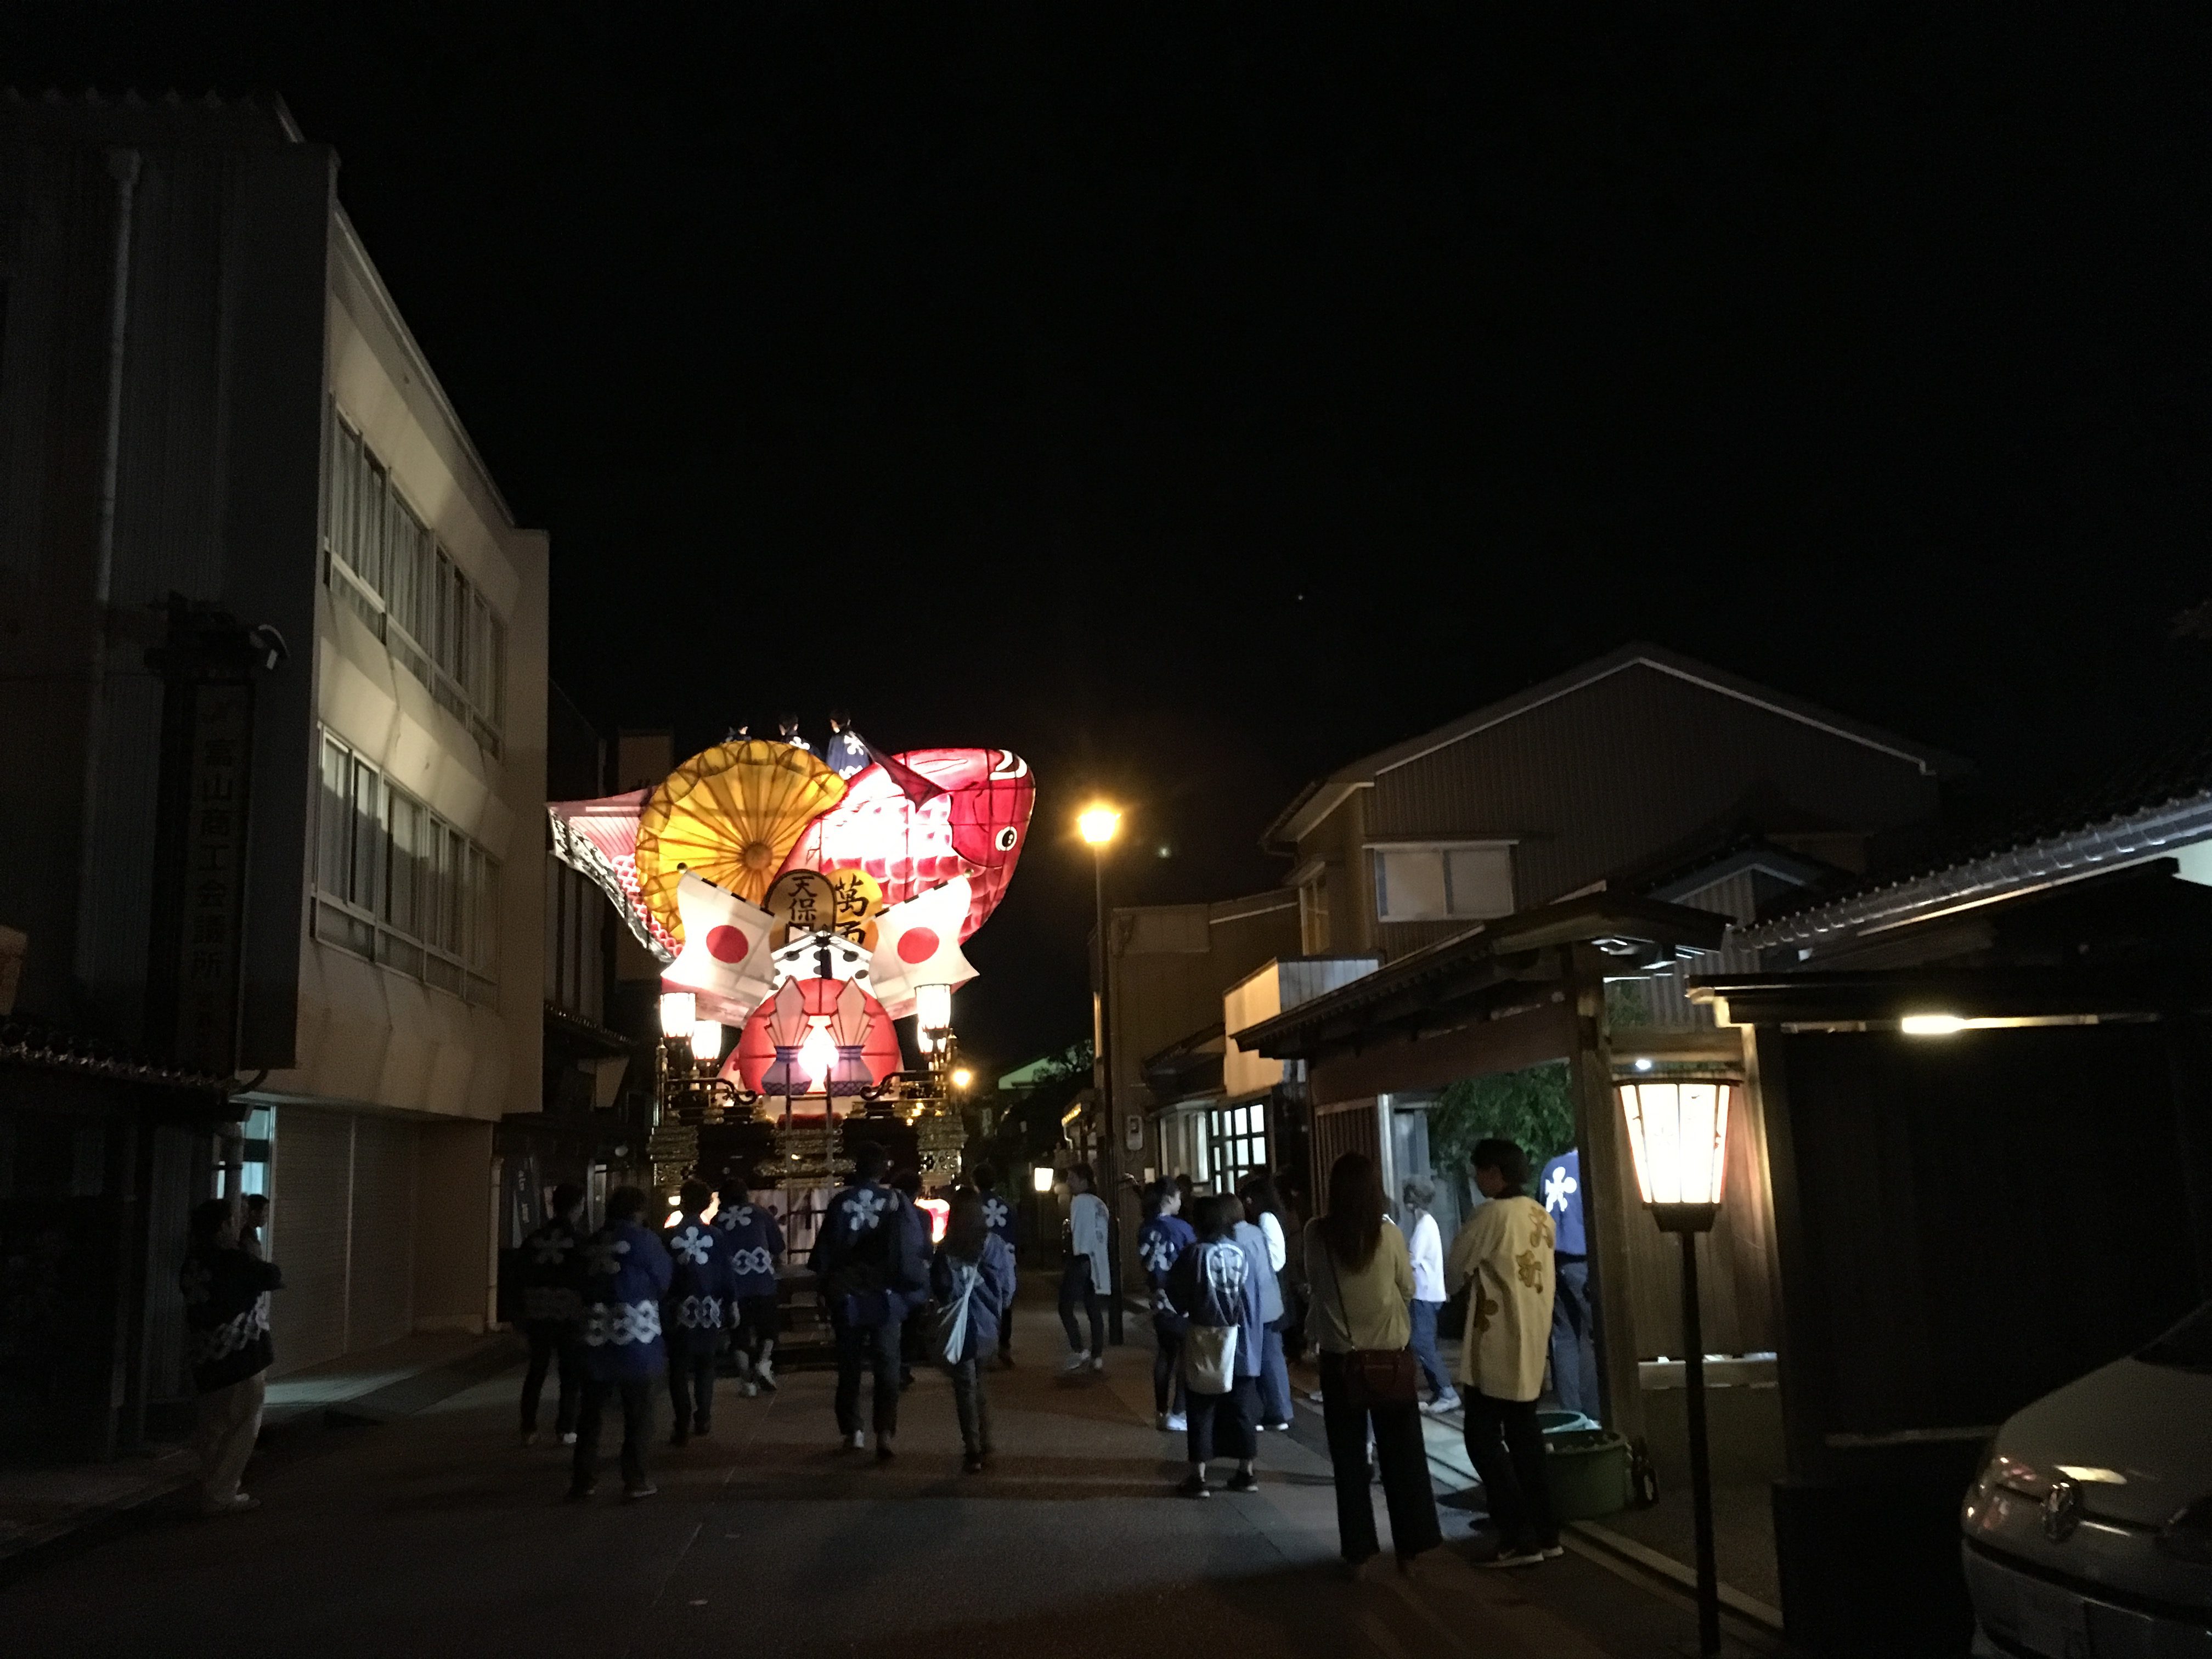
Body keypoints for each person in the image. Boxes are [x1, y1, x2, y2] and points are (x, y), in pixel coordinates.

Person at [1305, 1153, 1442, 1573]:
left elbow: (1314, 1283)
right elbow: (1408, 1287)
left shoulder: (1316, 1235)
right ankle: (1410, 1550)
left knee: (1349, 1461)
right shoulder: (1390, 1235)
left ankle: (1359, 1552)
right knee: (1403, 1458)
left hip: (1340, 1361)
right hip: (1390, 1359)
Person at [1444, 1138, 1560, 1568]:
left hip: (1496, 1341)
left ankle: (1516, 1535)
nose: (1476, 1179)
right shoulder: (1539, 1214)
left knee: (1482, 1438)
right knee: (1526, 1437)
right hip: (1532, 1337)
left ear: (1495, 1172)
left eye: (1479, 1170)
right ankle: (1547, 1532)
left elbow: (1454, 1270)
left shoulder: (1490, 1215)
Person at [810, 1141, 929, 1459]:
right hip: (886, 1296)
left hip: (847, 1294)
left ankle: (853, 1431)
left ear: (856, 1168)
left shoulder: (841, 1203)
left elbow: (825, 1253)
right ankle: (885, 1432)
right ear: (883, 1170)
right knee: (887, 1363)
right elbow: (913, 1249)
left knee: (849, 1364)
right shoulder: (897, 1201)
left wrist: (824, 1290)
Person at [570, 1185, 673, 1502]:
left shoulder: (592, 1242)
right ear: (638, 1211)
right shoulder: (646, 1241)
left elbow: (577, 1283)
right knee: (638, 1412)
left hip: (595, 1333)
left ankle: (583, 1480)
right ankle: (635, 1479)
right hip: (635, 1336)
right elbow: (663, 1280)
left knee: (590, 1412)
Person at [180, 1198, 282, 1516]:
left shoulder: (192, 1263)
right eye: (233, 1221)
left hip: (205, 1358)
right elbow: (271, 1275)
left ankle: (213, 1488)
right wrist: (246, 1253)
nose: (237, 1226)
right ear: (222, 1227)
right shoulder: (232, 1260)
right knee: (243, 1424)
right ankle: (220, 1495)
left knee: (213, 1426)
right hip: (241, 1355)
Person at [1165, 1193, 1262, 1498]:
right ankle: (1246, 1472)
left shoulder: (1194, 1254)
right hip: (1243, 1344)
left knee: (1201, 1409)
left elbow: (1177, 1297)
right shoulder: (1244, 1253)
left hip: (1206, 1343)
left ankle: (1199, 1478)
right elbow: (1253, 1299)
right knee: (1242, 1410)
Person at [929, 1189, 1018, 1471]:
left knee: (965, 1386)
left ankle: (973, 1448)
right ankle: (985, 1439)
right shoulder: (993, 1245)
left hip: (959, 1324)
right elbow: (1008, 1285)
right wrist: (999, 1306)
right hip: (987, 1324)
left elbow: (940, 1289)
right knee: (978, 1381)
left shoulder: (946, 1249)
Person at [518, 1182, 588, 1447]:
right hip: (569, 1314)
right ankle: (566, 1427)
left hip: (538, 1313)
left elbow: (520, 1276)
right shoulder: (579, 1241)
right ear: (578, 1206)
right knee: (570, 1372)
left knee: (536, 1370)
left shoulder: (534, 1239)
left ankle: (528, 1427)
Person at [663, 1179, 731, 1445]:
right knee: (705, 1365)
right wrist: (731, 1303)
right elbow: (725, 1275)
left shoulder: (668, 1237)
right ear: (705, 1204)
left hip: (678, 1307)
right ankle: (703, 1417)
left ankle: (681, 1422)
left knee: (678, 1368)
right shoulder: (716, 1236)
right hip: (708, 1308)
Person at [1538, 1147, 1600, 1421]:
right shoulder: (1590, 1165)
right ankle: (1595, 1412)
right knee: (1595, 1335)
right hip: (1583, 1259)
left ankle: (1571, 1412)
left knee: (1564, 1337)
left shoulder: (1551, 1167)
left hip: (1553, 1258)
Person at [716, 1175, 786, 1396]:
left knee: (739, 1335)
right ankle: (764, 1362)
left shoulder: (718, 1220)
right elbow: (778, 1247)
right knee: (769, 1328)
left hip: (733, 1286)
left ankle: (747, 1383)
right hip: (762, 1282)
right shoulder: (761, 1213)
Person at [1238, 1175, 1295, 1430]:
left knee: (1270, 1354)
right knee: (1271, 1353)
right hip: (1274, 1291)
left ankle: (1278, 1411)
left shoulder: (1266, 1219)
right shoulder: (1273, 1216)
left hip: (1270, 1292)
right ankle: (1278, 1410)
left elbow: (1275, 1258)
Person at [1137, 1179, 1195, 1431]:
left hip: (1158, 1298)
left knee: (1164, 1353)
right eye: (1178, 1197)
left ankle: (1161, 1411)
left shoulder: (1145, 1228)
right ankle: (1179, 1412)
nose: (1180, 1202)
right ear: (1169, 1199)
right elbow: (1193, 1257)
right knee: (1185, 1355)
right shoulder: (1182, 1228)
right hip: (1181, 1299)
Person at [1400, 1175, 1460, 1415]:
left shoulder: (1425, 1226)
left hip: (1424, 1293)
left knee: (1422, 1343)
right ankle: (1439, 1391)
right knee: (1425, 1343)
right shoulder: (1427, 1224)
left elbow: (1412, 1259)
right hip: (1428, 1293)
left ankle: (1447, 1392)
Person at [1058, 1163, 1109, 1373]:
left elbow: (1078, 1235)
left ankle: (1079, 1349)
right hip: (1098, 1260)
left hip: (1081, 1259)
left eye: (1072, 1178)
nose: (1068, 1182)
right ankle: (1097, 1355)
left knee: (1065, 1306)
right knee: (1093, 1309)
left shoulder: (1079, 1201)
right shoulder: (1100, 1204)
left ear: (1084, 1180)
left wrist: (1073, 1253)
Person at [971, 1163, 1018, 1369]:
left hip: (981, 1262)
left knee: (982, 1305)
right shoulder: (1007, 1207)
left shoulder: (972, 1206)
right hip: (1006, 1261)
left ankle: (984, 1349)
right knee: (1006, 1305)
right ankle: (1004, 1347)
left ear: (974, 1182)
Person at [239, 1193, 269, 1260]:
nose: (267, 1215)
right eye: (265, 1210)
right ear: (254, 1213)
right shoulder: (245, 1237)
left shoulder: (252, 1233)